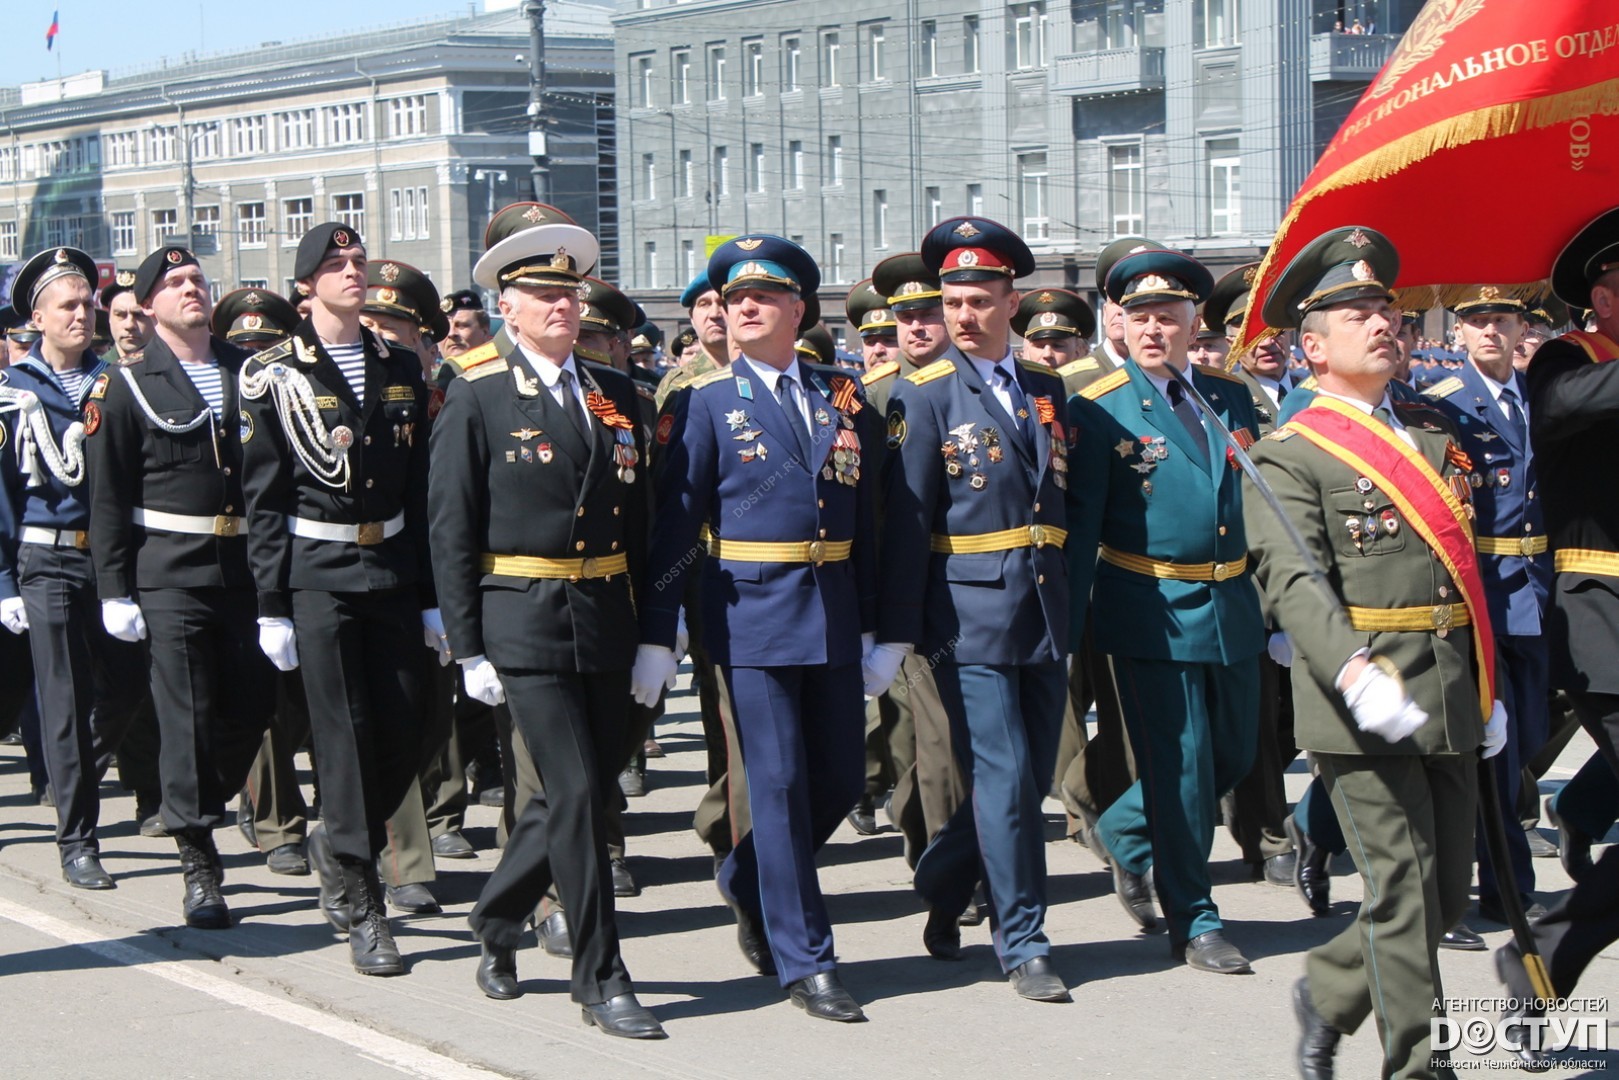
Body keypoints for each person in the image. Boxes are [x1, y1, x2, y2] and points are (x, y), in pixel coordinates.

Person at [1245, 226, 1504, 1079]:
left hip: (1449, 689)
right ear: (1313, 348)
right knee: (1403, 889)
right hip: (1361, 695)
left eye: (1385, 310)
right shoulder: (1289, 456)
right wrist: (1353, 671)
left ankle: (1328, 990)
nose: (1382, 323)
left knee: (1444, 893)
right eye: (1357, 314)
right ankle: (1420, 1064)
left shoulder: (1429, 441)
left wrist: (1488, 687)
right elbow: (1293, 581)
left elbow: (1462, 574)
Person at [429, 201, 661, 1038]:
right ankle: (600, 976)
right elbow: (450, 526)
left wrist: (656, 633)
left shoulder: (614, 393)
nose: (562, 307)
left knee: (574, 793)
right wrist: (467, 647)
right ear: (508, 306)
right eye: (541, 295)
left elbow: (643, 523)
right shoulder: (477, 392)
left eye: (570, 294)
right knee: (576, 792)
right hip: (520, 619)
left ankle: (495, 917)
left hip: (605, 617)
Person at [636, 234, 875, 1023]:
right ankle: (807, 958)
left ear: (798, 311)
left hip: (833, 607)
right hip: (749, 612)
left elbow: (873, 515)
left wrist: (879, 623)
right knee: (774, 785)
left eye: (764, 296)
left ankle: (745, 877)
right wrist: (660, 628)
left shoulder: (841, 393)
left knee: (840, 778)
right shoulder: (703, 401)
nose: (744, 307)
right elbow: (675, 525)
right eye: (734, 297)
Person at [874, 216, 1073, 1002]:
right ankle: (1023, 940)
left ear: (1010, 303)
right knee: (1006, 773)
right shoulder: (921, 395)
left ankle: (942, 875)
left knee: (1027, 781)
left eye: (978, 299)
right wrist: (899, 632)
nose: (962, 315)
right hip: (966, 616)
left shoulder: (1046, 389)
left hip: (1043, 609)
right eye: (951, 301)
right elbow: (905, 524)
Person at [239, 222, 439, 976]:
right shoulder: (270, 372)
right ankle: (363, 901)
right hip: (317, 572)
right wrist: (270, 602)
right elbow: (263, 499)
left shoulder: (399, 363)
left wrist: (429, 594)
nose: (353, 271)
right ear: (305, 285)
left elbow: (418, 489)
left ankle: (337, 836)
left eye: (358, 260)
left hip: (390, 566)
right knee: (344, 737)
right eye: (335, 264)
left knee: (410, 725)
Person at [1066, 246, 1264, 972]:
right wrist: (1067, 623)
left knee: (1234, 753)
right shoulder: (1098, 407)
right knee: (1181, 767)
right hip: (1150, 606)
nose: (1153, 329)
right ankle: (1195, 918)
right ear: (1118, 322)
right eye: (1139, 316)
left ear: (1192, 321)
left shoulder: (1229, 395)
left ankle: (1123, 829)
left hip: (1232, 601)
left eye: (1167, 316)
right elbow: (1082, 524)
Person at [85, 244, 277, 927]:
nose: (191, 288)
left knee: (254, 704)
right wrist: (114, 589)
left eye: (197, 278)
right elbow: (107, 497)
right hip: (169, 573)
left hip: (246, 569)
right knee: (186, 714)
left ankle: (195, 800)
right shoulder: (127, 384)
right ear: (149, 306)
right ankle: (198, 861)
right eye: (174, 283)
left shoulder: (248, 372)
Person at [1498, 207, 1619, 1052]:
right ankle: (1540, 956)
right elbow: (1560, 410)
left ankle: (1542, 954)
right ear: (1601, 295)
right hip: (1602, 613)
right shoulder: (1566, 358)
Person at [0, 245, 147, 888]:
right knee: (63, 698)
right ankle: (78, 841)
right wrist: (4, 582)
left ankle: (75, 765)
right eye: (68, 306)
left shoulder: (117, 384)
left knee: (128, 685)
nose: (82, 315)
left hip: (112, 560)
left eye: (87, 304)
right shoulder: (13, 393)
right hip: (45, 558)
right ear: (36, 318)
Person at [1423, 286, 1551, 933]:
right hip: (1484, 592)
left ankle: (1319, 824)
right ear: (1459, 333)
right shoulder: (1443, 404)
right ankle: (1506, 885)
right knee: (1495, 753)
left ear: (1521, 327)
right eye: (1476, 321)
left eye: (1501, 319)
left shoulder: (1541, 396)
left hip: (1538, 590)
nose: (1490, 331)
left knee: (1529, 737)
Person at [862, 252, 961, 869]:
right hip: (903, 585)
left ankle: (938, 845)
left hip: (972, 580)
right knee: (919, 727)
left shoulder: (981, 385)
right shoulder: (874, 395)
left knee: (946, 731)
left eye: (929, 314)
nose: (917, 328)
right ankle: (937, 852)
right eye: (906, 317)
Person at [101, 269, 154, 361]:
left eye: (139, 315)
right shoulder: (96, 369)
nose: (129, 325)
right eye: (120, 315)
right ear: (109, 318)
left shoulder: (173, 366)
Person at [439, 289, 493, 361]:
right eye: (445, 328)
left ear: (485, 332)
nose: (451, 333)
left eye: (462, 326)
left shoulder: (501, 367)